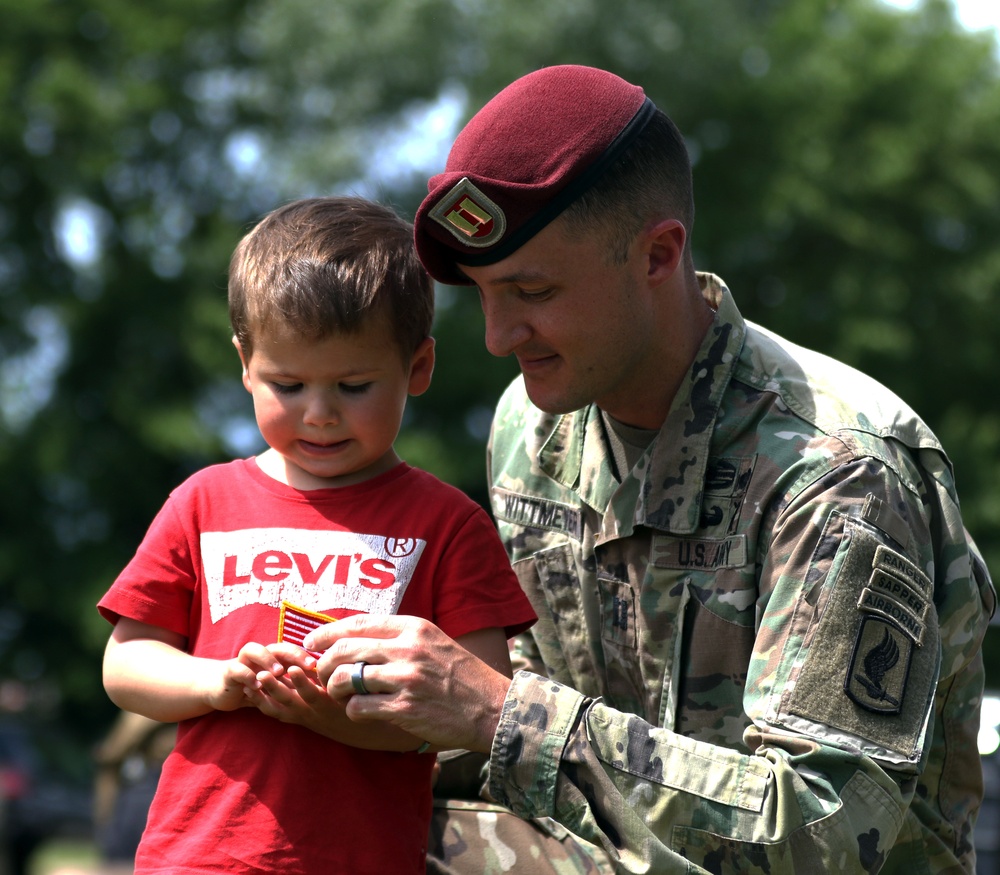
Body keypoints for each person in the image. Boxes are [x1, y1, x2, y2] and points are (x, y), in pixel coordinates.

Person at [302, 66, 996, 874]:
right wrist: (355, 704)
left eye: (532, 289)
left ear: (658, 254)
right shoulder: (532, 428)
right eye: (485, 294)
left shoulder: (834, 471)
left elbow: (826, 836)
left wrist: (499, 711)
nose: (498, 335)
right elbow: (532, 716)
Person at [97, 196, 536, 875]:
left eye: (354, 385)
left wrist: (346, 717)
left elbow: (477, 706)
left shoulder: (448, 524)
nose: (321, 413)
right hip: (196, 857)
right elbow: (125, 664)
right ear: (245, 363)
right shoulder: (203, 501)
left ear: (417, 368)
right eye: (288, 383)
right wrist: (221, 682)